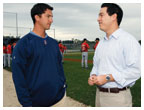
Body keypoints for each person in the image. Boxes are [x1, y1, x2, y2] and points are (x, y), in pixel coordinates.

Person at [12, 3, 66, 107]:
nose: (51, 20)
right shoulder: (23, 44)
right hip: (36, 103)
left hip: (59, 100)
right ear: (37, 17)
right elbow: (19, 78)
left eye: (52, 17)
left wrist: (63, 86)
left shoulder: (54, 43)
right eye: (48, 16)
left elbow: (59, 67)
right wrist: (27, 104)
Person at [88, 3, 141, 107]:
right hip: (99, 96)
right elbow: (96, 65)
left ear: (114, 16)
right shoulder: (101, 43)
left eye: (101, 15)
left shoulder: (128, 40)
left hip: (118, 99)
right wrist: (93, 75)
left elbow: (136, 71)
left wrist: (109, 77)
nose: (98, 19)